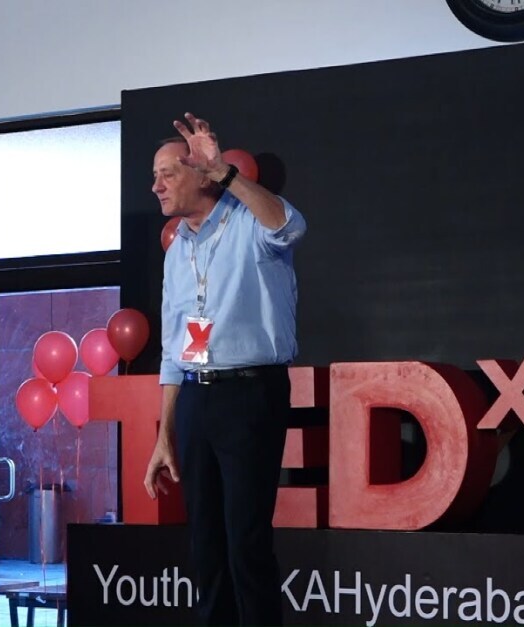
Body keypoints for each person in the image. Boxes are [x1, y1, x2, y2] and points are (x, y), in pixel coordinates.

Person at [144, 112, 306, 626]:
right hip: (196, 396)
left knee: (246, 545)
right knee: (205, 547)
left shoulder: (248, 223)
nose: (156, 186)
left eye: (168, 174)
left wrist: (226, 174)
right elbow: (173, 348)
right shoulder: (177, 251)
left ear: (200, 174)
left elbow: (290, 226)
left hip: (249, 394)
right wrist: (165, 434)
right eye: (155, 176)